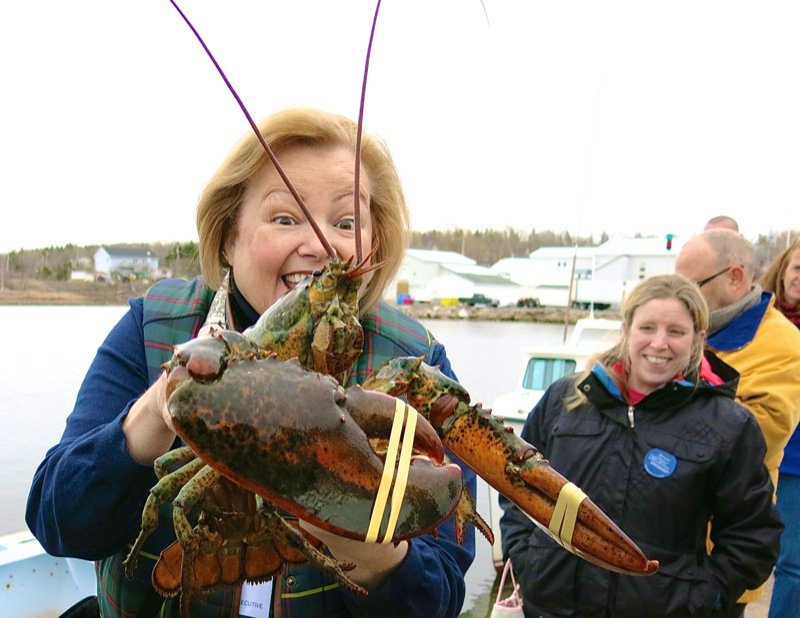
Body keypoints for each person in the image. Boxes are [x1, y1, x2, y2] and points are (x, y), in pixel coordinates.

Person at [26, 108, 476, 617]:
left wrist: (355, 526)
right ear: (227, 236)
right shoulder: (154, 327)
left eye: (347, 222)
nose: (321, 246)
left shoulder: (413, 361)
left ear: (375, 242)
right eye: (285, 218)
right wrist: (154, 413)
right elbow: (57, 520)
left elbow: (438, 597)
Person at [499, 273, 781, 617]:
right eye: (647, 328)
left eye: (676, 332)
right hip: (553, 606)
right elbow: (515, 483)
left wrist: (703, 598)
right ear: (626, 329)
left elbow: (752, 537)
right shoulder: (564, 400)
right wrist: (529, 561)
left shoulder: (729, 427)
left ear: (698, 339)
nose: (659, 344)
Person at [675, 229, 800, 612]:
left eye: (691, 286)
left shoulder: (785, 346)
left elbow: (760, 431)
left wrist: (668, 402)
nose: (679, 297)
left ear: (736, 277)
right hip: (660, 540)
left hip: (719, 552)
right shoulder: (679, 330)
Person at [760, 238, 800, 617]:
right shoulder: (760, 320)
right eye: (798, 268)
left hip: (796, 465)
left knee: (793, 564)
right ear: (783, 271)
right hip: (758, 453)